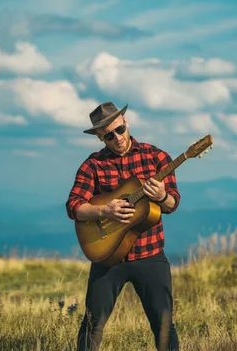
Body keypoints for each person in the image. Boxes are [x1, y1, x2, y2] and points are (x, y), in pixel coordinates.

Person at [65, 101, 181, 351]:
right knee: (92, 324)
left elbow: (172, 205)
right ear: (100, 137)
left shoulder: (156, 157)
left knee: (164, 325)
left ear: (126, 122)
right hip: (107, 257)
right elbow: (73, 206)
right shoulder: (92, 165)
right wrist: (104, 210)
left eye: (119, 129)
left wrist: (161, 197)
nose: (116, 137)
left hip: (150, 255)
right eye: (108, 135)